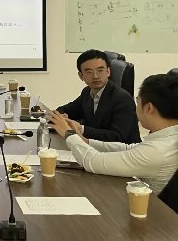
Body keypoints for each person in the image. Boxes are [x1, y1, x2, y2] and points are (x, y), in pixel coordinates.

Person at [50, 74, 178, 195]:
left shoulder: (156, 151)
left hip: (150, 208)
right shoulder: (169, 138)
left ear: (149, 108)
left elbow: (93, 162)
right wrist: (85, 141)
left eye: (138, 100)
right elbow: (129, 148)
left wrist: (69, 134)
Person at [55, 49, 140, 144]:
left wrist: (82, 129)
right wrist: (61, 116)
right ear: (81, 76)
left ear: (108, 72)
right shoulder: (87, 92)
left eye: (100, 70)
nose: (95, 76)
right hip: (95, 147)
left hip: (123, 151)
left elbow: (118, 137)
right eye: (89, 72)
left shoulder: (123, 99)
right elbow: (66, 109)